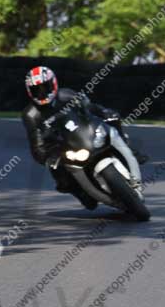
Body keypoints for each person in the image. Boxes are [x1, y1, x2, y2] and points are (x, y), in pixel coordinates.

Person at [22, 65, 140, 209]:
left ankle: (128, 149)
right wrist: (47, 156)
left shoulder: (67, 95)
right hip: (61, 146)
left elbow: (90, 107)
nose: (41, 93)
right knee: (59, 173)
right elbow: (36, 144)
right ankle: (80, 192)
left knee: (112, 120)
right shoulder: (31, 114)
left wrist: (104, 112)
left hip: (83, 133)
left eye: (44, 87)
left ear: (53, 84)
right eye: (37, 90)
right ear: (30, 92)